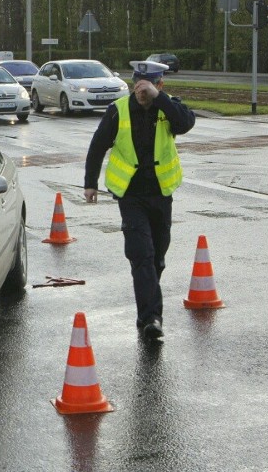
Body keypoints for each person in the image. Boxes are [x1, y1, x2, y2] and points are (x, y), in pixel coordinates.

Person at [83, 60, 196, 340]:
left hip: (161, 194)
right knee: (141, 254)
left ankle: (146, 303)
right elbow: (97, 145)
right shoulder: (118, 111)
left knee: (157, 256)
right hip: (131, 196)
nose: (141, 92)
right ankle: (151, 318)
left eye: (147, 87)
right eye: (138, 86)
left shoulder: (168, 108)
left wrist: (161, 100)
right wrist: (90, 184)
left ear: (159, 85)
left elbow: (186, 123)